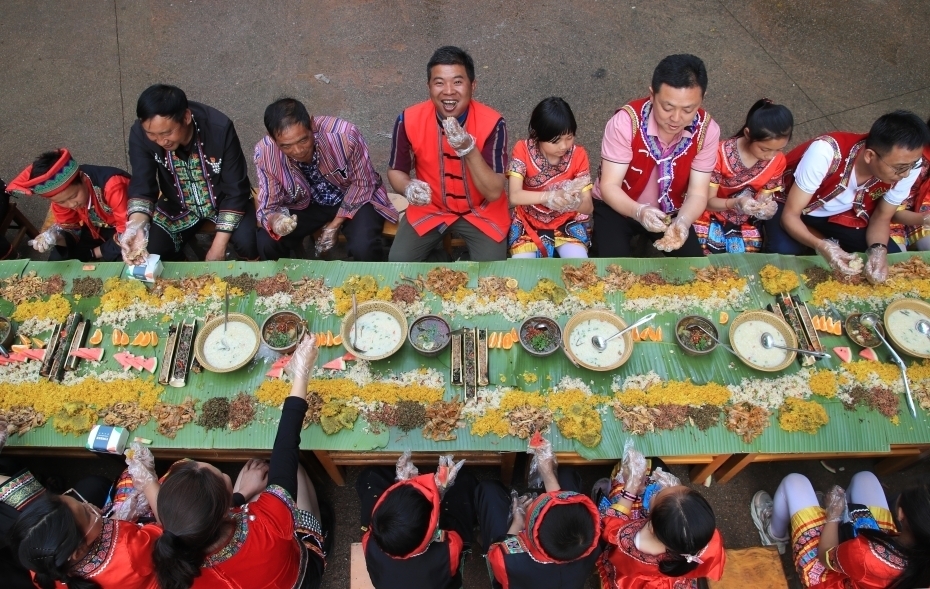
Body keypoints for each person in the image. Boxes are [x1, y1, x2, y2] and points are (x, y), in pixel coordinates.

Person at [149, 334, 326, 589]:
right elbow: (285, 451)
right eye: (220, 474)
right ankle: (321, 534)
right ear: (225, 507)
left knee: (253, 469)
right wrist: (301, 374)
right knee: (293, 471)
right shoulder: (267, 525)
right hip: (301, 576)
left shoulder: (179, 567)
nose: (222, 473)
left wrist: (242, 494)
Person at [765, 110, 930, 283]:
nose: (906, 174)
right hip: (791, 204)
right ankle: (807, 238)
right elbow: (791, 215)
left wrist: (879, 250)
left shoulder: (908, 166)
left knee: (889, 261)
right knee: (783, 250)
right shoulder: (826, 152)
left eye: (913, 165)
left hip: (845, 215)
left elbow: (882, 217)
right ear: (870, 156)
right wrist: (822, 246)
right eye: (900, 168)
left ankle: (820, 238)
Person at [387, 45, 509, 262]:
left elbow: (493, 192)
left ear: (473, 85)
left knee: (493, 272)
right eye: (439, 82)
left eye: (458, 82)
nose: (449, 91)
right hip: (430, 207)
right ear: (428, 86)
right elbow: (396, 171)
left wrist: (469, 150)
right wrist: (408, 187)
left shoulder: (494, 123)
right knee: (398, 261)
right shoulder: (407, 120)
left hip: (481, 210)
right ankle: (441, 260)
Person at [593, 54, 720, 258]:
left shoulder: (708, 131)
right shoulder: (625, 123)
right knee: (613, 268)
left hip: (671, 212)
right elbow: (609, 186)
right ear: (652, 95)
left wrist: (683, 221)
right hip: (618, 207)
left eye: (688, 109)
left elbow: (697, 193)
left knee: (693, 267)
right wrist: (640, 212)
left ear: (701, 99)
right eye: (667, 107)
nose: (676, 118)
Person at [122, 84, 258, 263]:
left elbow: (236, 189)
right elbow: (142, 186)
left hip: (225, 200)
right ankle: (182, 268)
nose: (161, 141)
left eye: (167, 133)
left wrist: (218, 246)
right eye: (152, 135)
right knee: (153, 249)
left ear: (186, 117)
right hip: (177, 204)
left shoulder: (219, 128)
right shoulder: (140, 134)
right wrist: (136, 227)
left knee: (248, 242)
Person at [253, 98, 398, 261]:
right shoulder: (265, 153)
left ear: (312, 125)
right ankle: (285, 277)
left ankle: (370, 275)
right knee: (267, 243)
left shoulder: (345, 136)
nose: (298, 151)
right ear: (273, 139)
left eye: (303, 140)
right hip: (305, 204)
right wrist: (276, 220)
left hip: (351, 195)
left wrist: (335, 225)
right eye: (286, 146)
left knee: (364, 247)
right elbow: (268, 207)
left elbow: (363, 183)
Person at [751, 472, 930, 588]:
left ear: (901, 514)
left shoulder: (864, 554)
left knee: (795, 481)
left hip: (833, 573)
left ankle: (775, 535)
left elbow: (826, 556)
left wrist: (833, 515)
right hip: (869, 562)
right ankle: (842, 514)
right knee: (865, 479)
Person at [475, 438, 601, 589]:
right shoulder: (592, 545)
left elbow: (497, 551)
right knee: (567, 475)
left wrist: (517, 523)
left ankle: (482, 534)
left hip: (512, 572)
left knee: (490, 491)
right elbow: (564, 514)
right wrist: (548, 474)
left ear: (529, 533)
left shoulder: (510, 558)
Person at [9, 464, 160, 589]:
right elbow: (168, 526)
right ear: (77, 551)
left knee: (102, 482)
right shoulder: (129, 549)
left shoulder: (42, 564)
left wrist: (111, 518)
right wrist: (148, 481)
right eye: (88, 514)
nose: (88, 505)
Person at [597, 446, 725, 589]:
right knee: (658, 464)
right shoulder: (703, 536)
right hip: (670, 579)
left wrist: (631, 489)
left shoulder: (632, 541)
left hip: (633, 575)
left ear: (651, 526)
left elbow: (610, 525)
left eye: (658, 494)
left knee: (608, 499)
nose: (662, 487)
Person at [357, 453, 477, 589]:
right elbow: (453, 537)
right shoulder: (448, 549)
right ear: (431, 534)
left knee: (371, 475)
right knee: (463, 481)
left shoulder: (369, 542)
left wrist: (403, 482)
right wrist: (439, 493)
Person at [693, 99, 793, 254]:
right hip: (712, 211)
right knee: (702, 248)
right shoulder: (719, 154)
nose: (770, 156)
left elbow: (764, 197)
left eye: (779, 149)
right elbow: (707, 202)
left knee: (745, 255)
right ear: (748, 134)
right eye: (764, 149)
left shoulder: (778, 160)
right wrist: (737, 202)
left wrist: (764, 207)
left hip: (744, 217)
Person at [507, 97, 593, 258]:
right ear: (537, 134)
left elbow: (588, 207)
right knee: (522, 267)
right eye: (555, 141)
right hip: (528, 221)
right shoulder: (522, 149)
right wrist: (550, 196)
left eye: (569, 138)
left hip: (566, 221)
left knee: (579, 264)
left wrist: (577, 203)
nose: (564, 146)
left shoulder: (578, 154)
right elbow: (515, 196)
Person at [7, 149, 130, 262]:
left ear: (82, 178)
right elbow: (70, 226)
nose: (72, 204)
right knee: (58, 258)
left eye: (73, 196)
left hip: (128, 225)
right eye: (61, 202)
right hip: (95, 227)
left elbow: (129, 231)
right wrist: (56, 237)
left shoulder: (113, 186)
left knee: (130, 257)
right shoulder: (60, 197)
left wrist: (94, 253)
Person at [890, 116, 930, 251]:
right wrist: (924, 219)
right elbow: (890, 210)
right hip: (890, 211)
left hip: (922, 211)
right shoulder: (912, 158)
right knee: (897, 256)